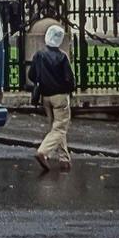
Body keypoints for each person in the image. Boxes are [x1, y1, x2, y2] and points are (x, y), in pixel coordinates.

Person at [30, 24, 76, 172]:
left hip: (45, 96)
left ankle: (64, 158)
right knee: (60, 128)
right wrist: (70, 90)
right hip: (60, 96)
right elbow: (69, 79)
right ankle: (43, 152)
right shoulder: (62, 56)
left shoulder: (39, 55)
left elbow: (31, 74)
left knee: (55, 128)